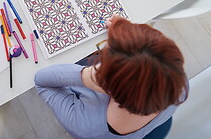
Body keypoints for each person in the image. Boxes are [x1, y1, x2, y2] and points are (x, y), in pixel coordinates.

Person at [34, 15, 189, 139]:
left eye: (106, 55)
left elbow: (41, 80)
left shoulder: (86, 128)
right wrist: (128, 33)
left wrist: (87, 76)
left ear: (107, 85)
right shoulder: (178, 80)